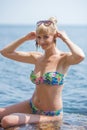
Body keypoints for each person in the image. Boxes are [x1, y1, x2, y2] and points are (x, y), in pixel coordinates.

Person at [0, 17, 85, 128]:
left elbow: (80, 56)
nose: (41, 41)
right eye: (38, 37)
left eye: (46, 37)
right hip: (32, 105)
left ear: (55, 36)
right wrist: (25, 38)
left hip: (51, 114)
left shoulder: (63, 59)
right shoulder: (36, 58)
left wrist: (66, 39)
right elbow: (5, 52)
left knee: (7, 121)